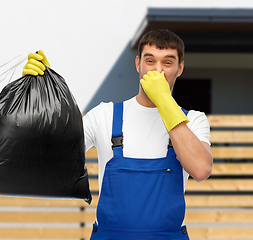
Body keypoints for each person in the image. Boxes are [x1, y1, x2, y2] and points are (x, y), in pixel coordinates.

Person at [23, 29, 213, 240]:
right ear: (138, 64)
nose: (158, 71)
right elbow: (51, 155)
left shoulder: (193, 121)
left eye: (167, 63)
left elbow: (201, 169)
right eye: (150, 61)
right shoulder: (104, 115)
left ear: (180, 69)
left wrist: (165, 102)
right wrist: (39, 96)